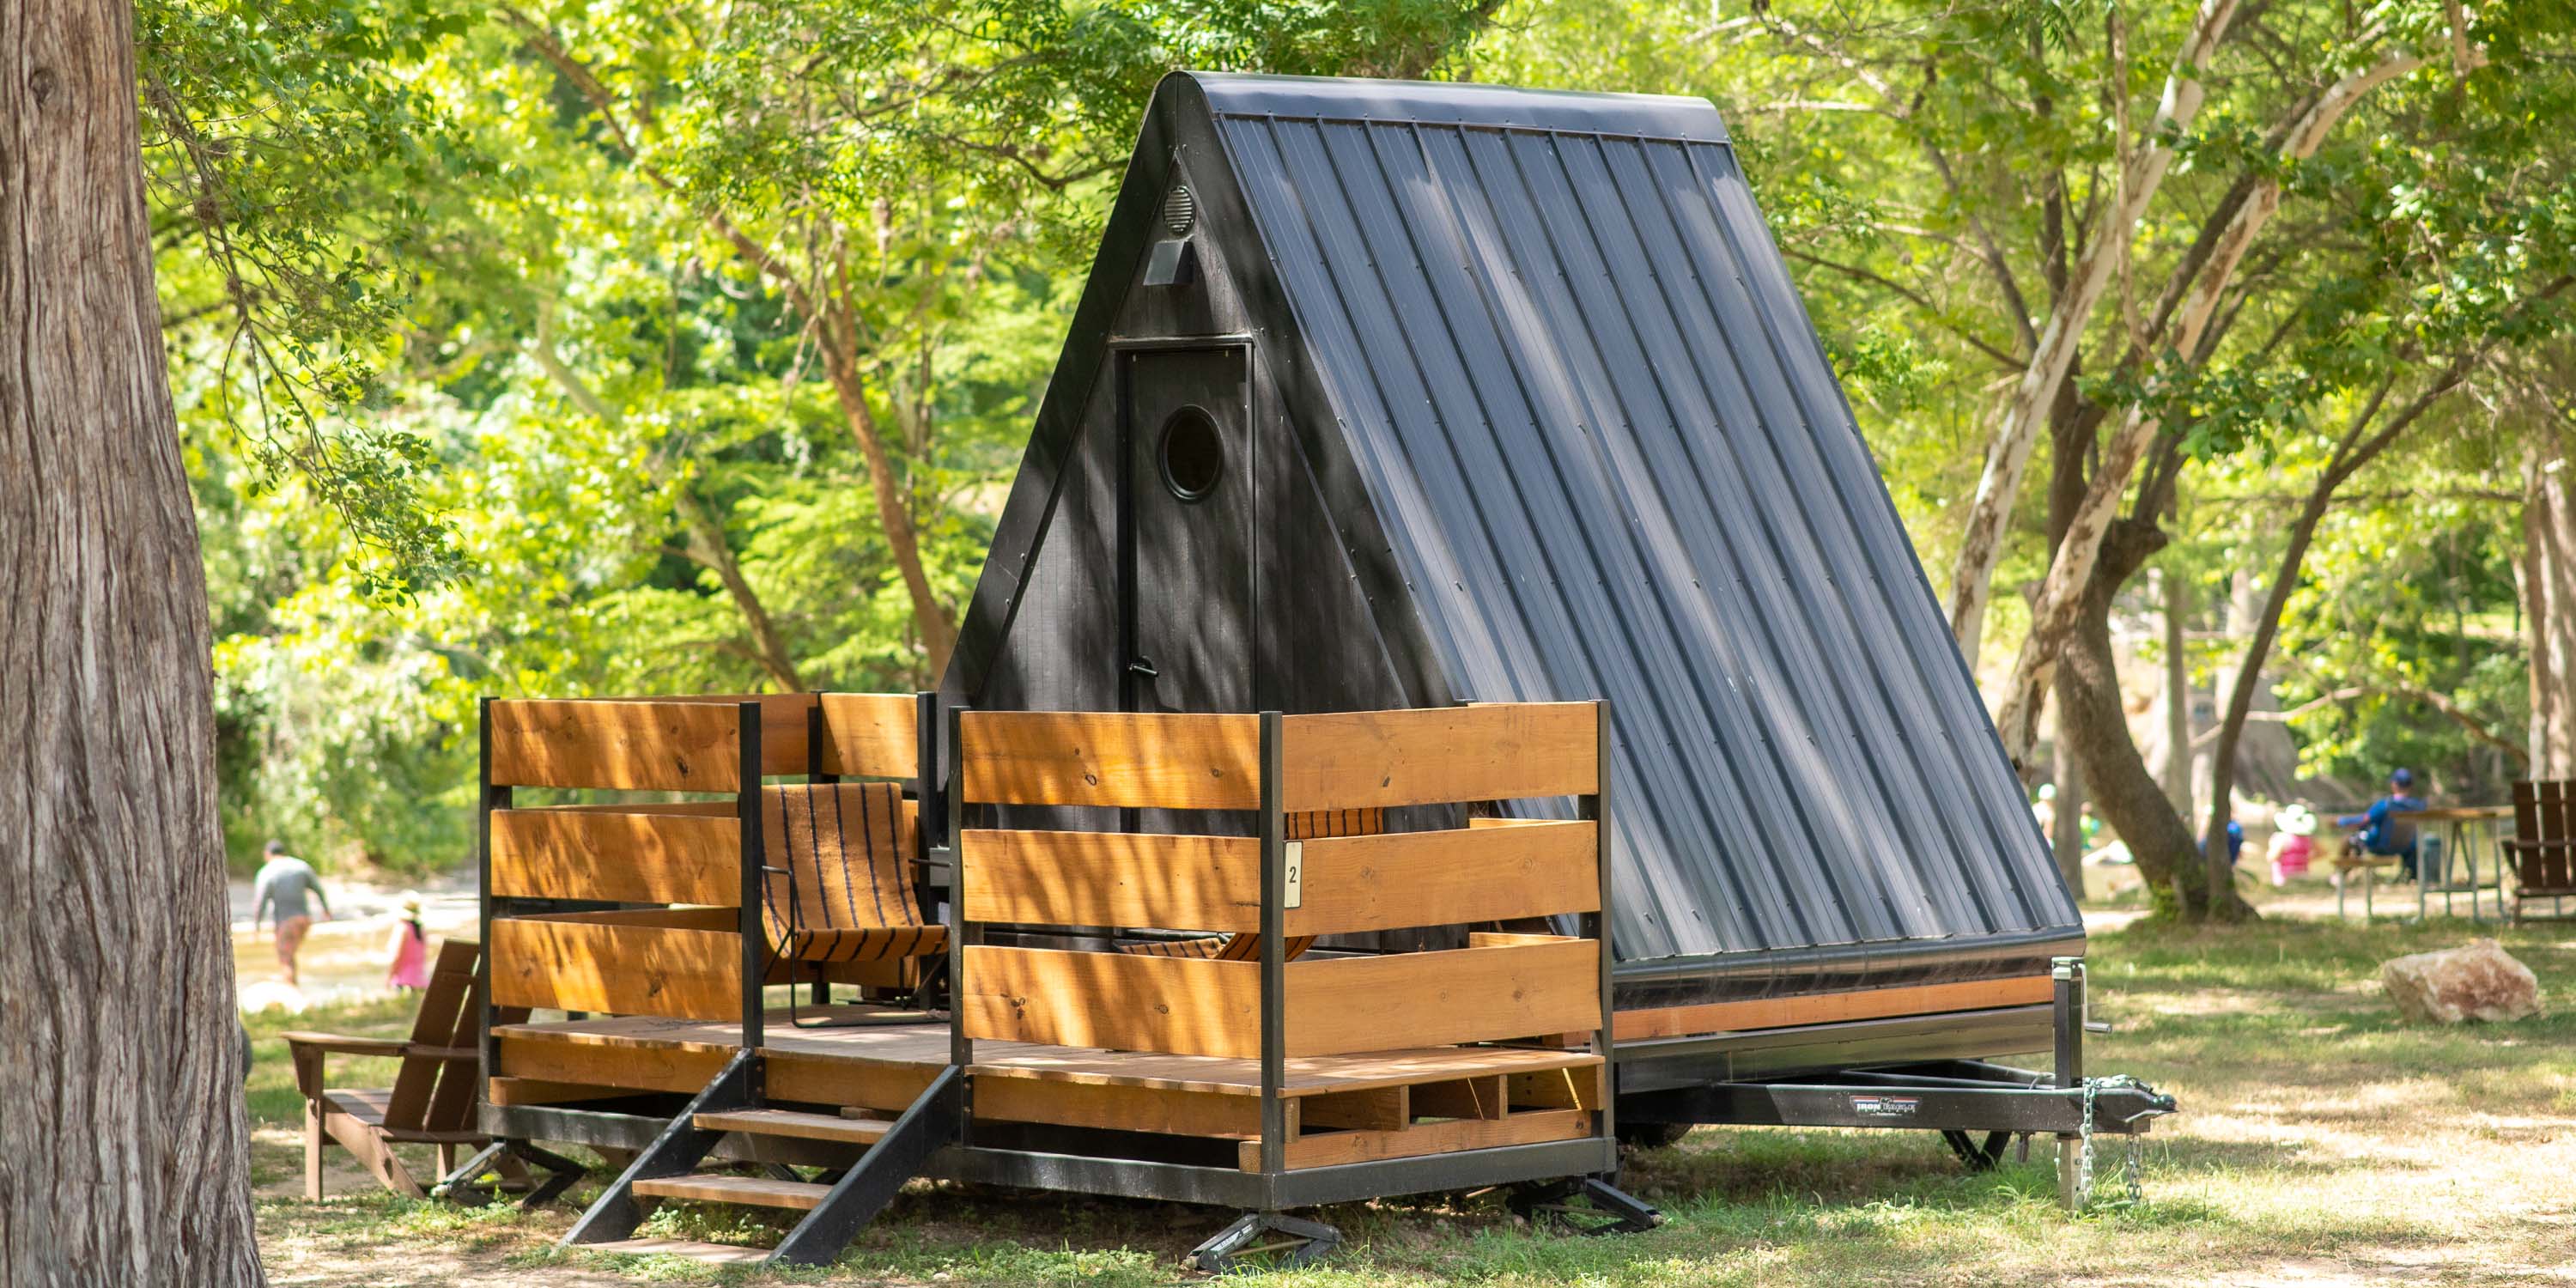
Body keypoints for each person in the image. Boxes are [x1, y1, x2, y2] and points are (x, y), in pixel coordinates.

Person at [252, 839, 332, 987]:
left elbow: (260, 901)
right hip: (304, 919)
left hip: (286, 921)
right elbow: (318, 888)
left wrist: (256, 926)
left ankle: (291, 990)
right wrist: (326, 910)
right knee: (290, 955)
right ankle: (294, 985)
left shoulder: (267, 872)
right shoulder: (300, 866)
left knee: (285, 956)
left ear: (267, 854)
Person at [2338, 769, 2426, 880]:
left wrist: (2342, 821)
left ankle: (2340, 875)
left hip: (2380, 846)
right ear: (2410, 785)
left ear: (2394, 785)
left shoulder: (2386, 805)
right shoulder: (2418, 806)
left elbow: (2364, 820)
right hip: (2406, 848)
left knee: (2349, 839)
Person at [386, 892, 431, 992]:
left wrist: (389, 978)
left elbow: (397, 956)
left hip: (404, 982)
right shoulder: (420, 929)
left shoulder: (402, 928)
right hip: (421, 980)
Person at [2269, 803, 2318, 885]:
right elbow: (2323, 852)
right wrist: (2307, 859)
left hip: (2285, 878)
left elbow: (2272, 857)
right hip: (2303, 876)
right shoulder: (2309, 839)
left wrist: (2271, 845)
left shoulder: (2282, 838)